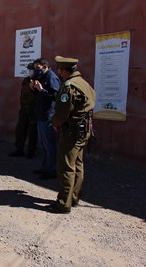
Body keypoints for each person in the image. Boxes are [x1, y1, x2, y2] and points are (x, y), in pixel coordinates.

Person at [46, 56, 96, 214]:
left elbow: (62, 113)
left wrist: (55, 124)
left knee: (66, 166)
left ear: (64, 71)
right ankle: (74, 197)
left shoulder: (69, 87)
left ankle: (63, 203)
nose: (59, 73)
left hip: (72, 132)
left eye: (60, 70)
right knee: (78, 164)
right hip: (85, 129)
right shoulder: (84, 83)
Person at [31, 58, 60, 179]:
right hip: (41, 114)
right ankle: (46, 167)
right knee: (44, 144)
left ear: (44, 66)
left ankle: (52, 170)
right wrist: (34, 89)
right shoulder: (42, 77)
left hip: (48, 116)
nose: (35, 70)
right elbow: (40, 96)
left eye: (37, 67)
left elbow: (55, 96)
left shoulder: (51, 78)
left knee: (50, 144)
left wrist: (41, 90)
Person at [9, 62, 37, 158]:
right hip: (24, 109)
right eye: (28, 70)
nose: (29, 72)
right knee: (20, 130)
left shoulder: (38, 81)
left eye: (31, 70)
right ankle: (19, 149)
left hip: (33, 110)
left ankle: (31, 150)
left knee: (32, 131)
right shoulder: (26, 80)